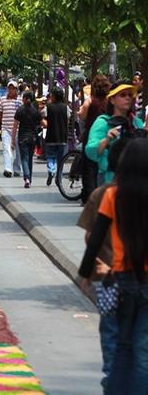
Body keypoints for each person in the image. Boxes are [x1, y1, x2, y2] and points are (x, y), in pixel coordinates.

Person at [79, 138, 148, 394]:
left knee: (122, 346)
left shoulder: (111, 195)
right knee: (142, 350)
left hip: (122, 278)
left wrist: (86, 272)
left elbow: (95, 237)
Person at [85, 81, 145, 185]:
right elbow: (91, 151)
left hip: (135, 180)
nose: (128, 98)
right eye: (123, 95)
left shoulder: (136, 122)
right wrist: (107, 140)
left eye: (130, 95)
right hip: (109, 180)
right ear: (112, 100)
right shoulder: (102, 122)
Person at [79, 75, 110, 204]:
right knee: (102, 166)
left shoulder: (90, 101)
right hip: (105, 135)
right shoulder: (109, 101)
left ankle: (89, 197)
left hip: (91, 136)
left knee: (88, 168)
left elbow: (82, 115)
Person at [12, 91, 42, 188]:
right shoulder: (35, 110)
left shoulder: (20, 110)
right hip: (32, 137)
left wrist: (12, 139)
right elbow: (41, 123)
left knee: (24, 158)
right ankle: (30, 178)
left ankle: (27, 178)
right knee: (29, 159)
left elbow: (15, 125)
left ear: (25, 99)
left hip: (22, 137)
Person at [43, 87, 70, 186]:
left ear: (53, 96)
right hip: (62, 137)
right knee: (61, 159)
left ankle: (51, 170)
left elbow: (42, 116)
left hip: (51, 136)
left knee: (50, 156)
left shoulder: (48, 107)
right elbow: (68, 118)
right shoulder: (65, 107)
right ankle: (59, 178)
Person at [0, 81, 22, 177]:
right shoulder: (2, 100)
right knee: (6, 149)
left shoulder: (20, 100)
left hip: (18, 129)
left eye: (13, 88)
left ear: (16, 90)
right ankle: (8, 169)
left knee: (18, 151)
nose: (11, 90)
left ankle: (17, 169)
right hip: (5, 128)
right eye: (9, 88)